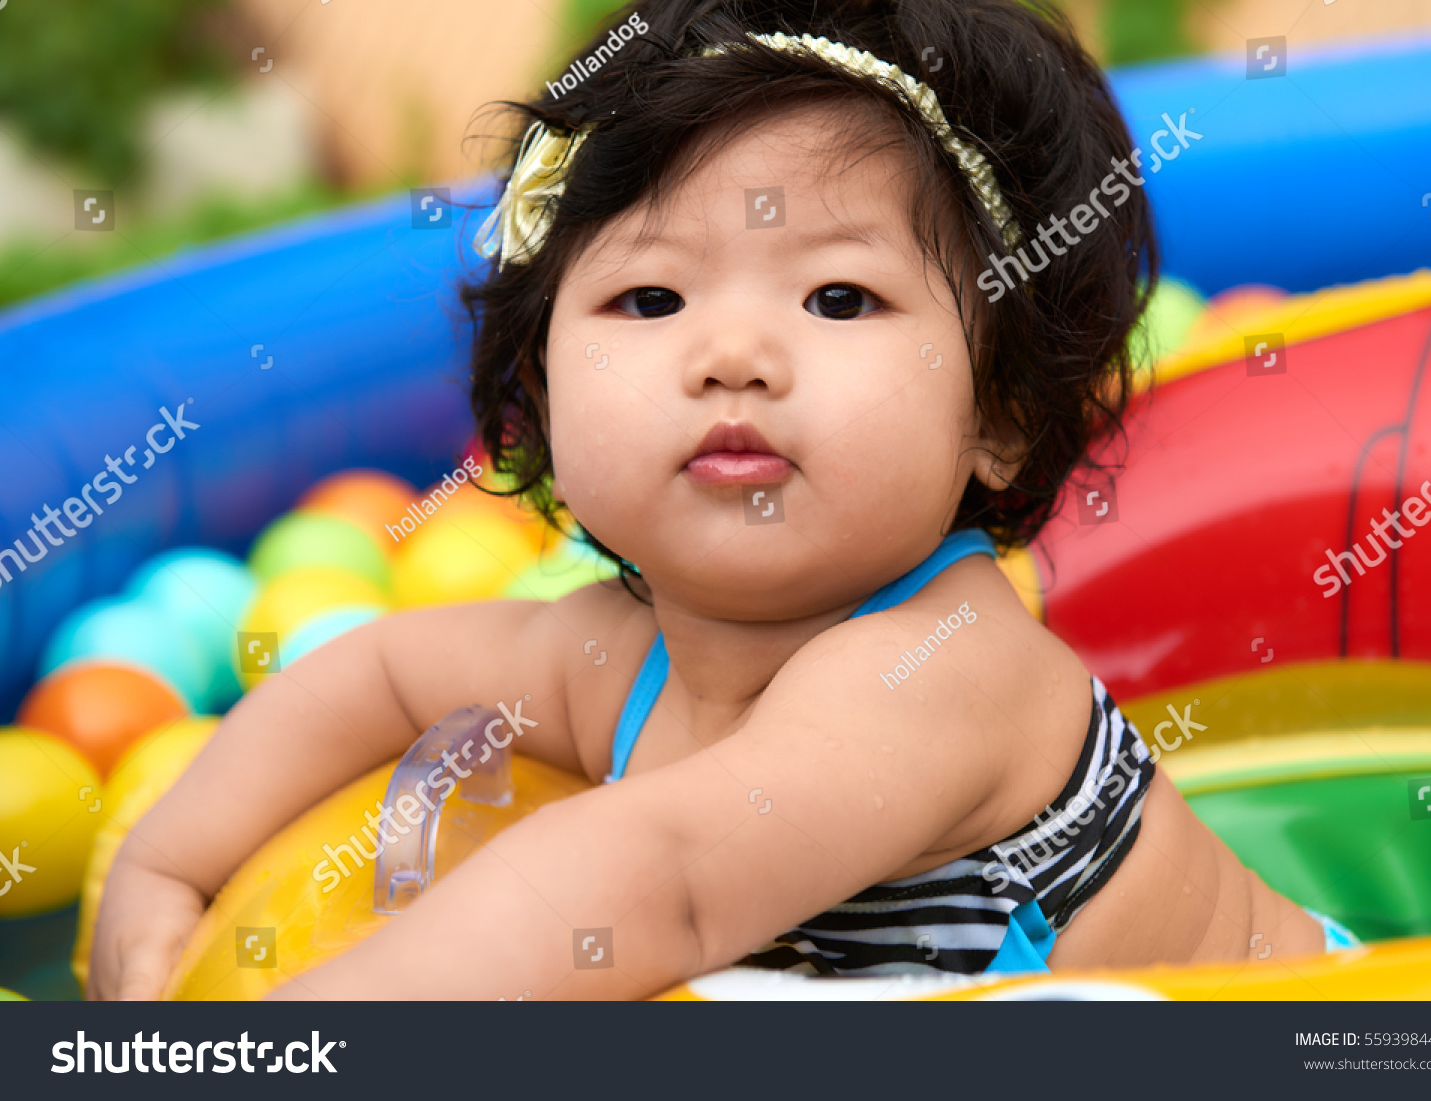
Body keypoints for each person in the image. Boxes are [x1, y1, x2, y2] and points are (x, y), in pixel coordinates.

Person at [89, 0, 1351, 1000]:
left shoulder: (944, 668)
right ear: (540, 396)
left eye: (839, 299)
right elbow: (374, 678)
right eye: (650, 300)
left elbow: (664, 881)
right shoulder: (611, 659)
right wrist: (164, 865)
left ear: (998, 416)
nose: (731, 354)